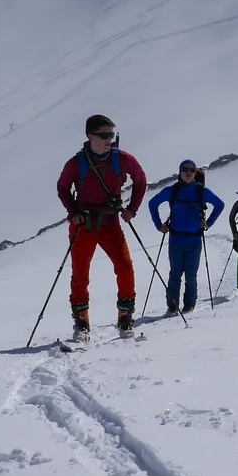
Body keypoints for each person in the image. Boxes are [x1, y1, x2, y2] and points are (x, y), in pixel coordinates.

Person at [56, 115, 148, 338]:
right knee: (80, 273)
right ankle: (82, 324)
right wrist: (74, 213)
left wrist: (132, 209)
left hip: (110, 221)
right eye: (104, 135)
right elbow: (62, 188)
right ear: (90, 136)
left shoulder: (122, 158)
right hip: (84, 224)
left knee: (124, 266)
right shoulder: (76, 163)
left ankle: (125, 319)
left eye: (111, 135)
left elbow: (141, 180)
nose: (109, 139)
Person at [149, 160, 224, 315]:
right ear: (180, 172)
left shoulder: (201, 191)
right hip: (176, 239)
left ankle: (189, 305)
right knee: (175, 273)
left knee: (191, 274)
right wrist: (158, 225)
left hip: (194, 239)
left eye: (191, 170)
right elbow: (152, 203)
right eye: (185, 170)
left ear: (195, 173)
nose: (189, 173)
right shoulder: (173, 190)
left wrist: (208, 223)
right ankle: (173, 305)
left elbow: (220, 205)